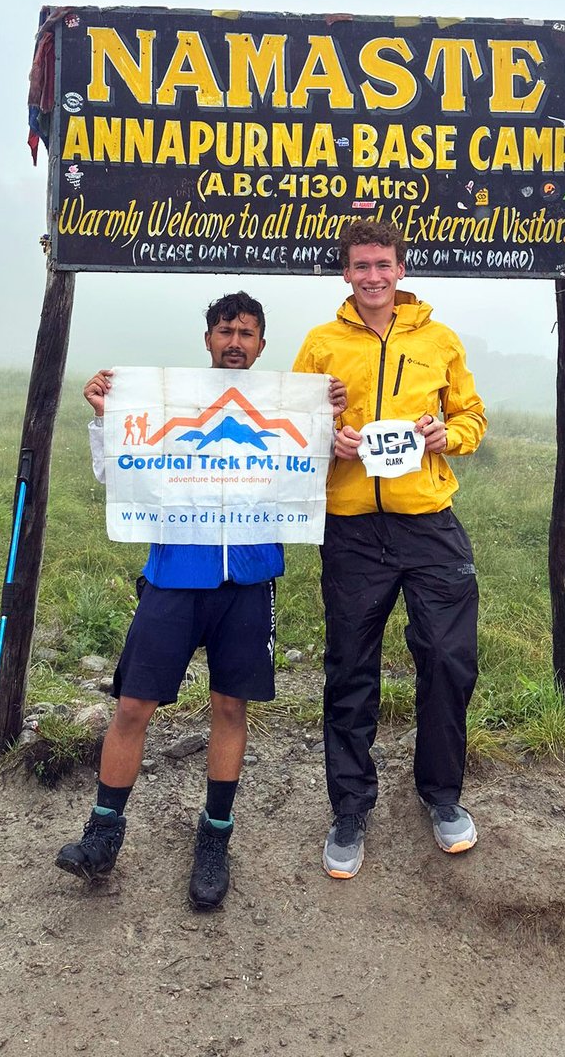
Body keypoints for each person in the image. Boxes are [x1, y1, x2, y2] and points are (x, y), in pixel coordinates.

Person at [56, 291, 345, 909]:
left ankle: (214, 839)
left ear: (262, 345)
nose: (235, 342)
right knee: (133, 705)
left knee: (230, 707)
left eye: (247, 333)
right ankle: (102, 836)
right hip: (173, 573)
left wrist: (328, 422)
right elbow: (118, 475)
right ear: (208, 340)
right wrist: (108, 415)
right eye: (224, 331)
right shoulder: (168, 402)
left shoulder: (286, 405)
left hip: (248, 577)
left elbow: (310, 481)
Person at [293, 220, 487, 879]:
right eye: (360, 266)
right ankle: (349, 810)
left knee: (447, 658)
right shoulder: (321, 344)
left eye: (383, 264)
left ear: (401, 269)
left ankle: (442, 797)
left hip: (428, 523)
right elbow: (292, 424)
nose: (372, 276)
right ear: (345, 273)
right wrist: (329, 438)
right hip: (352, 528)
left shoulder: (440, 339)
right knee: (349, 667)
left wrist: (445, 435)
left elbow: (473, 417)